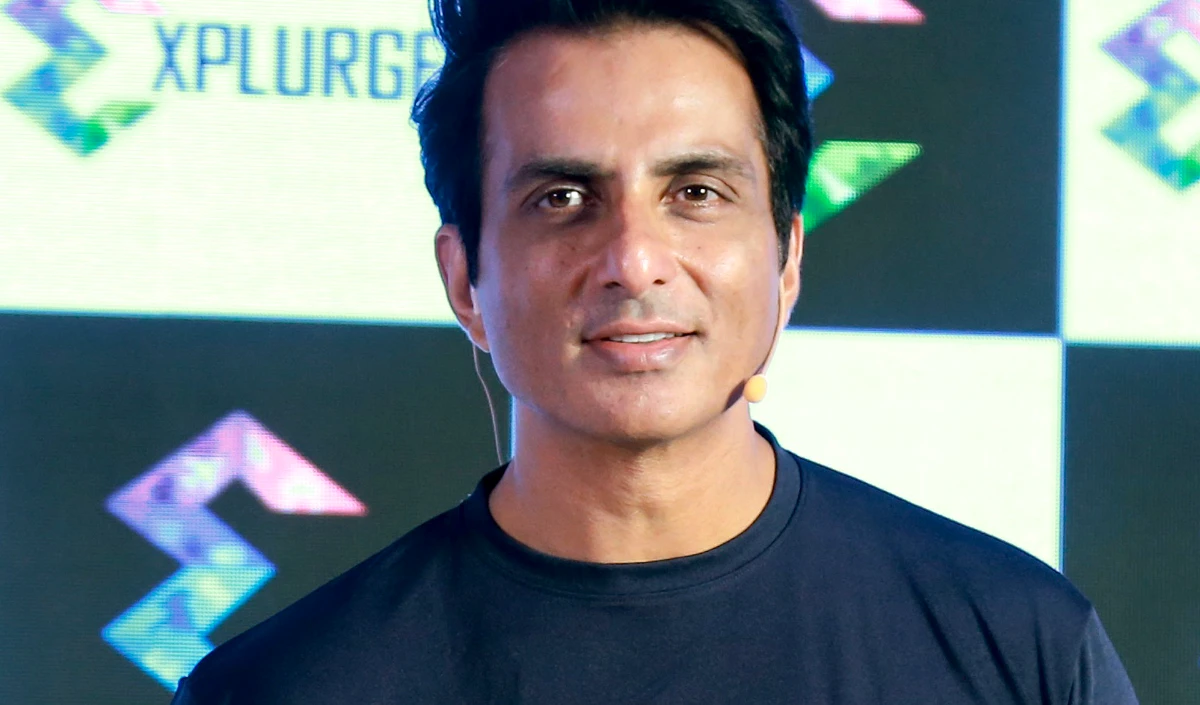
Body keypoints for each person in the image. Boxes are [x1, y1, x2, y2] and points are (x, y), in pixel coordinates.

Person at [170, 0, 1139, 702]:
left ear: (787, 257)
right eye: (562, 198)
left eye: (696, 193)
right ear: (464, 279)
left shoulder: (1018, 646)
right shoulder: (284, 686)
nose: (634, 260)